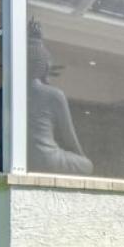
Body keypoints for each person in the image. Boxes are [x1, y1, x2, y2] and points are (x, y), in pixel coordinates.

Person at [26, 23, 93, 176]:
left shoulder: (3, 92)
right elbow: (69, 137)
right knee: (87, 165)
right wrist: (81, 157)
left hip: (19, 159)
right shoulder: (53, 94)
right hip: (47, 158)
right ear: (43, 65)